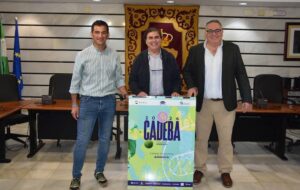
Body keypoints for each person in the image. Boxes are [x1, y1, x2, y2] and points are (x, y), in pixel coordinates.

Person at [183, 20, 252, 188]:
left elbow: (241, 74)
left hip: (226, 104)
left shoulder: (232, 49)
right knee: (200, 139)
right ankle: (199, 169)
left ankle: (225, 171)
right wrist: (191, 85)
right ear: (205, 32)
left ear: (222, 32)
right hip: (203, 103)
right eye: (210, 31)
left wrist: (247, 98)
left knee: (226, 140)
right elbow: (187, 71)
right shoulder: (196, 50)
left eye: (217, 30)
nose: (214, 33)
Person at [69, 20, 127, 190]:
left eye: (103, 32)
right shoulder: (82, 55)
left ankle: (99, 171)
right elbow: (75, 83)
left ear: (107, 34)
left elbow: (118, 79)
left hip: (109, 101)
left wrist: (124, 92)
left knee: (104, 140)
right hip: (88, 102)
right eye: (97, 32)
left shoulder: (114, 55)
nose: (100, 35)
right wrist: (74, 104)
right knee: (82, 141)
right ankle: (76, 176)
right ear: (91, 34)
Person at [129, 27, 181, 96]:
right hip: (146, 100)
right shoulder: (139, 59)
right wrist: (138, 92)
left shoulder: (169, 57)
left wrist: (175, 91)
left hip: (166, 99)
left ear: (161, 39)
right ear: (146, 41)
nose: (154, 40)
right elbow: (132, 80)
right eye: (150, 38)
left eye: (156, 37)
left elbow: (177, 79)